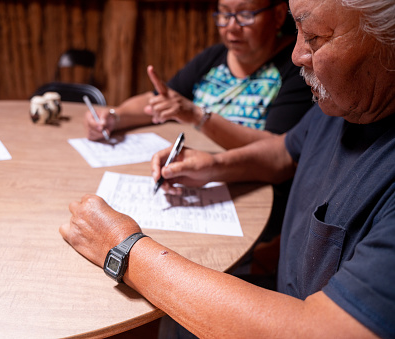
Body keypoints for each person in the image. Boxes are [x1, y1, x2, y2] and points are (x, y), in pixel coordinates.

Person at [60, 0, 395, 337]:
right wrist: (213, 165)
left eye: (315, 37)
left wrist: (123, 248)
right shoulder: (341, 104)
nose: (296, 55)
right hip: (281, 292)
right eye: (298, 32)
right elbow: (284, 152)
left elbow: (323, 330)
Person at [85, 0, 313, 152]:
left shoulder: (296, 67)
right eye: (224, 14)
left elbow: (278, 152)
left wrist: (196, 115)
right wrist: (114, 116)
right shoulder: (214, 57)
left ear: (278, 15)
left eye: (245, 15)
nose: (231, 27)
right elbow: (160, 99)